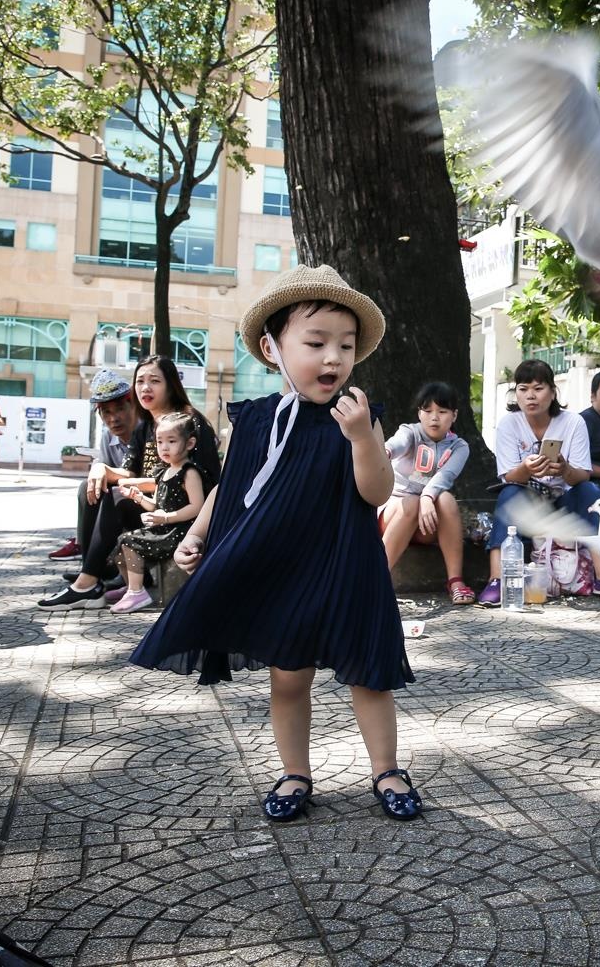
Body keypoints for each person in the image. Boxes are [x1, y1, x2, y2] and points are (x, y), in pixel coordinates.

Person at [130, 264, 422, 823]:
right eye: (315, 343)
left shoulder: (359, 414)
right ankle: (295, 771)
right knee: (288, 678)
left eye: (345, 344)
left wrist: (361, 436)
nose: (333, 357)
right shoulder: (258, 420)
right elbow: (231, 488)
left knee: (369, 671)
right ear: (272, 348)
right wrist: (194, 534)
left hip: (348, 562)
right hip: (285, 566)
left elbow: (377, 490)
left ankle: (386, 767)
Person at [38, 355, 219, 610]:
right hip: (151, 508)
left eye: (154, 381)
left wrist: (133, 487)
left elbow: (197, 481)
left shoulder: (189, 423)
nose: (146, 387)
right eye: (140, 381)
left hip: (183, 515)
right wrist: (101, 469)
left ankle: (87, 583)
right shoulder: (144, 426)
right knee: (90, 487)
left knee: (115, 496)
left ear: (170, 385)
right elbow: (129, 473)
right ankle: (91, 578)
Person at [480, 359, 600, 606]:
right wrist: (526, 469)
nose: (530, 396)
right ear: (516, 393)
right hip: (529, 504)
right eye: (523, 389)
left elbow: (582, 474)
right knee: (508, 494)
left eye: (538, 388)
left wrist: (564, 469)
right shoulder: (509, 424)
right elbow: (509, 477)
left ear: (553, 392)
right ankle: (497, 580)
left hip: (565, 502)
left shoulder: (572, 422)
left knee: (591, 492)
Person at [380, 381, 473, 604]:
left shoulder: (459, 447)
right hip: (395, 511)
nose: (434, 417)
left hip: (426, 521)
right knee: (411, 502)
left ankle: (455, 581)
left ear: (454, 415)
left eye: (442, 411)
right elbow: (396, 444)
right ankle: (377, 579)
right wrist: (385, 451)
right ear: (419, 413)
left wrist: (428, 496)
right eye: (428, 410)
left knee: (447, 499)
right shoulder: (409, 432)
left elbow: (446, 476)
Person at [110, 412, 207, 614]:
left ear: (189, 444)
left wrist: (165, 517)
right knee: (121, 541)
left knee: (129, 541)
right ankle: (133, 587)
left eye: (171, 441)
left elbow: (197, 506)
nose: (164, 447)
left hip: (179, 531)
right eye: (160, 441)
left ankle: (137, 592)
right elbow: (156, 505)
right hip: (165, 527)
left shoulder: (189, 472)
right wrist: (138, 497)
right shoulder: (163, 472)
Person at [48, 368, 138, 561]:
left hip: (142, 497)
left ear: (133, 406)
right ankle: (86, 558)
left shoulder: (145, 432)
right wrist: (98, 469)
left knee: (113, 495)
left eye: (120, 409)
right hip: (119, 494)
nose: (114, 418)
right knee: (86, 487)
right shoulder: (108, 437)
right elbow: (103, 473)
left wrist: (105, 470)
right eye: (107, 413)